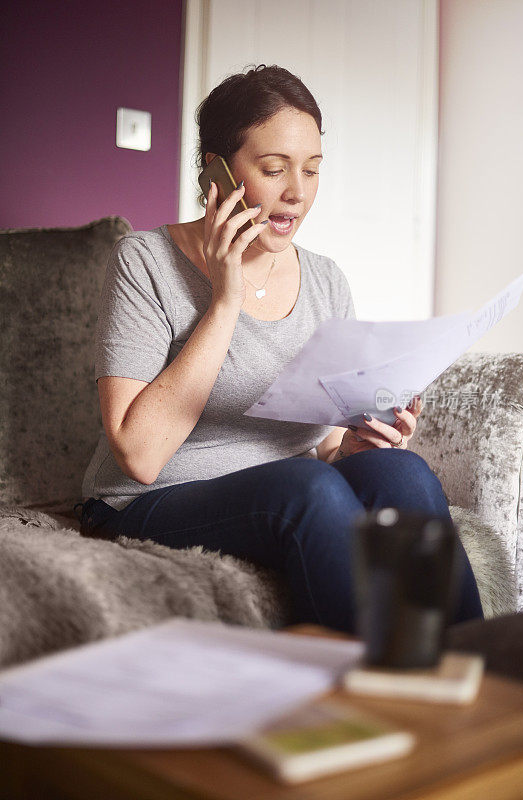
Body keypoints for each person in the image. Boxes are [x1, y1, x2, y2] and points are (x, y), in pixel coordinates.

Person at [75, 64, 483, 634]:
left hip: (287, 487)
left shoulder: (326, 280)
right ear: (215, 171)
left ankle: (480, 681)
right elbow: (139, 457)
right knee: (305, 487)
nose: (297, 192)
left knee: (402, 474)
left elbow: (325, 441)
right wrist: (223, 299)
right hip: (149, 501)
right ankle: (365, 702)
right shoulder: (144, 261)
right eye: (273, 169)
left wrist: (356, 446)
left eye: (312, 171)